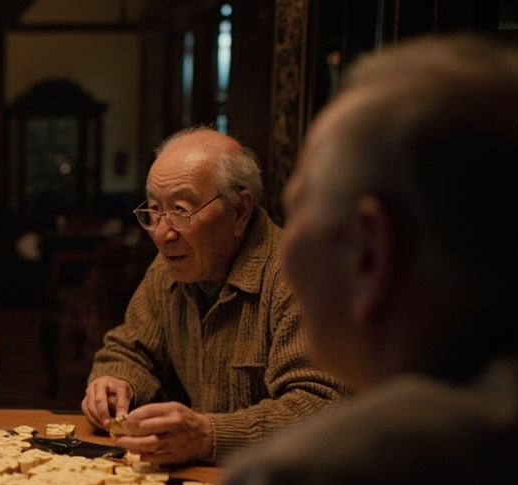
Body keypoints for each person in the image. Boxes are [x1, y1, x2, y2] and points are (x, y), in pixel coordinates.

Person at [55, 34, 518, 485]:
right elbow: (128, 349)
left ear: (371, 247)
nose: (286, 243)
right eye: (153, 213)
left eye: (305, 211)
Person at [80, 127, 346, 465]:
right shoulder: (168, 271)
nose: (162, 233)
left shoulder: (299, 277)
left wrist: (208, 435)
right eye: (153, 210)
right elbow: (130, 350)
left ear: (239, 211)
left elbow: (319, 407)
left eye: (180, 210)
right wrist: (115, 382)